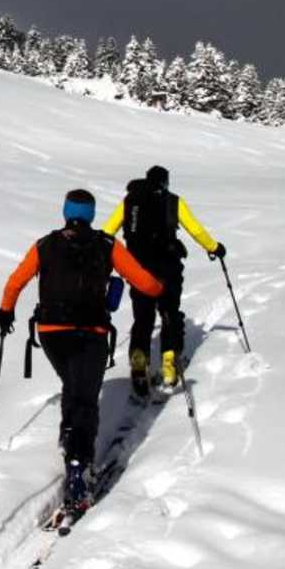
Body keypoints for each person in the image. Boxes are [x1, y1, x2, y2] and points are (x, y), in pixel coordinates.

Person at [0, 188, 164, 512]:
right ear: (91, 214)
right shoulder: (107, 245)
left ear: (66, 212)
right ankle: (78, 469)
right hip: (90, 333)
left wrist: (6, 311)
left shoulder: (45, 245)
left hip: (51, 334)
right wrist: (161, 290)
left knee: (74, 387)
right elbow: (144, 282)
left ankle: (68, 436)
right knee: (85, 397)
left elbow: (16, 282)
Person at [102, 166, 226, 398]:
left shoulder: (130, 201)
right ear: (165, 182)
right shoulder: (173, 201)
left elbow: (108, 231)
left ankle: (139, 366)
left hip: (138, 270)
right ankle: (169, 366)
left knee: (143, 319)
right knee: (169, 313)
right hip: (168, 268)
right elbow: (195, 230)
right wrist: (214, 247)